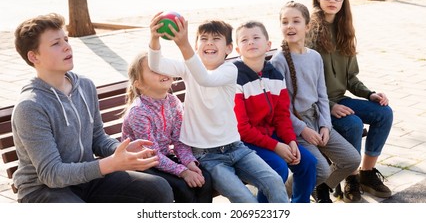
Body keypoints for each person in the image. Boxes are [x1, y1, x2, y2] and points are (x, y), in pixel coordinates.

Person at [12, 13, 174, 203]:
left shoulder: (85, 86)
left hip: (88, 178)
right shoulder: (30, 107)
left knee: (157, 188)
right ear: (34, 56)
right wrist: (110, 164)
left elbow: (97, 137)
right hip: (43, 190)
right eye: (56, 43)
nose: (67, 46)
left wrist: (122, 150)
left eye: (65, 39)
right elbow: (52, 174)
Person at [147, 12, 289, 203]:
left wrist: (183, 44)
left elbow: (206, 80)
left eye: (216, 39)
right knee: (245, 199)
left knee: (274, 181)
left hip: (236, 148)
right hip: (206, 155)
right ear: (196, 47)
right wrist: (154, 38)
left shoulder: (230, 70)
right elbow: (155, 63)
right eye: (203, 39)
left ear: (229, 48)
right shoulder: (187, 67)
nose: (209, 43)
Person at [308, 0, 393, 202]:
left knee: (384, 113)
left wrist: (370, 94)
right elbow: (304, 86)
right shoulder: (309, 32)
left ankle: (365, 173)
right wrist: (331, 106)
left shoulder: (345, 30)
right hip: (317, 107)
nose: (332, 0)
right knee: (353, 123)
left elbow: (351, 78)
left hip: (339, 100)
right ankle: (350, 178)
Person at [269, 1, 361, 203]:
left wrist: (325, 126)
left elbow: (322, 96)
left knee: (352, 159)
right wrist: (303, 130)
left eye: (296, 21)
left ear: (307, 26)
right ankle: (283, 192)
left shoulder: (315, 57)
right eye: (285, 22)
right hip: (295, 126)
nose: (290, 26)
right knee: (320, 168)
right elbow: (279, 108)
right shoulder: (278, 62)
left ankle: (314, 187)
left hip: (317, 120)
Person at [233, 20, 317, 203]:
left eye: (256, 37)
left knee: (308, 162)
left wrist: (290, 141)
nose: (251, 42)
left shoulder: (275, 76)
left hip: (271, 136)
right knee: (278, 167)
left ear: (268, 45)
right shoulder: (235, 78)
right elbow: (243, 129)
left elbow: (282, 116)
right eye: (244, 40)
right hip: (246, 142)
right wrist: (276, 146)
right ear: (238, 50)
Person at [121, 52, 213, 203]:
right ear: (139, 84)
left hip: (163, 158)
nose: (162, 71)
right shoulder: (138, 112)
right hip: (141, 164)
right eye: (154, 69)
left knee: (205, 178)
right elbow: (152, 154)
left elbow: (179, 140)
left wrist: (189, 163)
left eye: (163, 65)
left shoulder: (172, 102)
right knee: (183, 188)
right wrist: (183, 172)